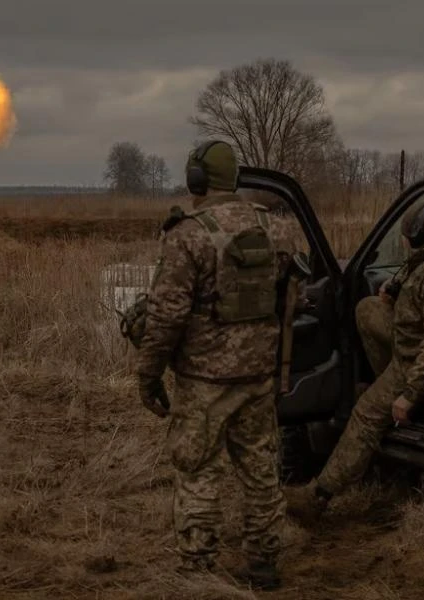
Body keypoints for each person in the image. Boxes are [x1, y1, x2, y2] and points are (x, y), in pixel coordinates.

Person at [136, 140, 299, 590]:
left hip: (204, 381)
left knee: (197, 471)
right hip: (258, 377)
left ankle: (198, 569)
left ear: (197, 180)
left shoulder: (187, 234)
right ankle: (264, 565)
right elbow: (287, 297)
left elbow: (166, 315)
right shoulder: (277, 229)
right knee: (260, 471)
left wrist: (148, 374)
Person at [285, 201, 424, 521]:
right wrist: (393, 286)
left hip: (415, 360)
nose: (404, 241)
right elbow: (412, 269)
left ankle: (319, 496)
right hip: (408, 340)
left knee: (364, 415)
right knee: (366, 309)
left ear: (418, 236)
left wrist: (410, 393)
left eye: (406, 236)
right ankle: (385, 384)